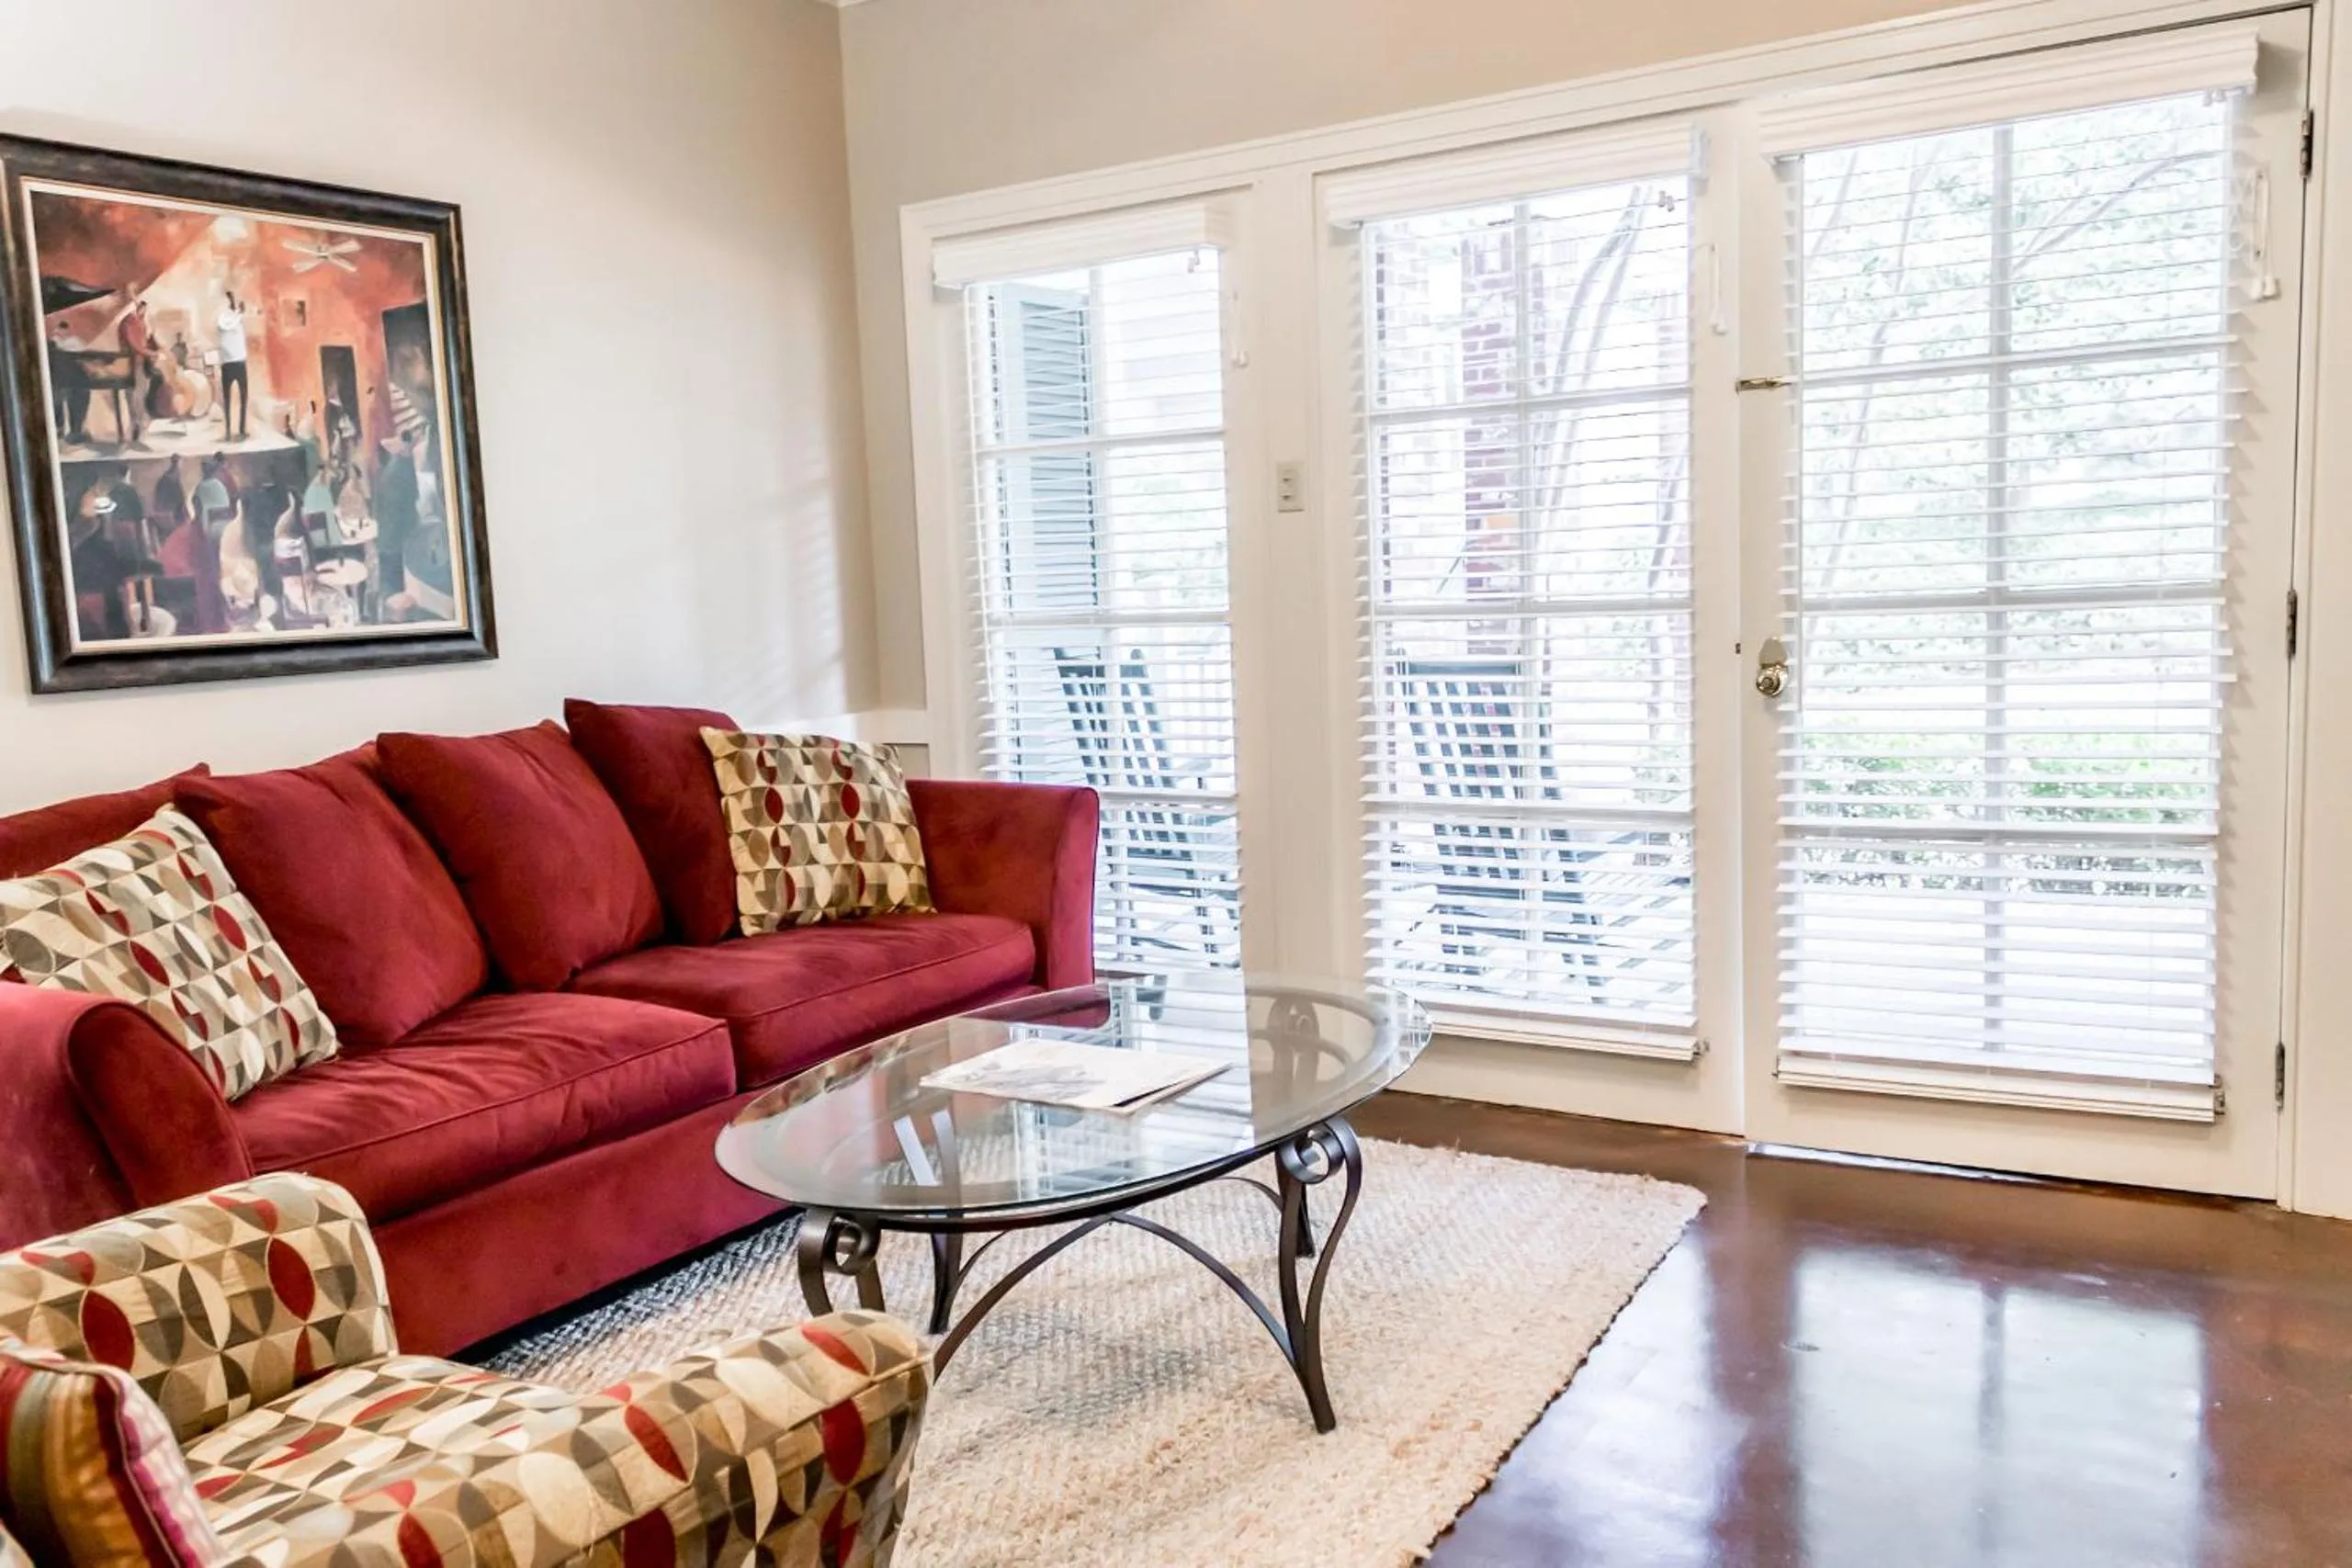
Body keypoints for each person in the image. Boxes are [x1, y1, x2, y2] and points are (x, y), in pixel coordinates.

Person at [216, 290, 250, 440]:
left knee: (241, 398)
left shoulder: (235, 318)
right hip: (231, 363)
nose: (232, 303)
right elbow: (226, 325)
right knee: (229, 399)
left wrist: (239, 313)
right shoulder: (225, 319)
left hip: (236, 362)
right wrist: (240, 313)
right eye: (231, 301)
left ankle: (239, 429)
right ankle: (230, 430)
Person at [117, 298, 151, 443]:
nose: (143, 311)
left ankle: (138, 425)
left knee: (137, 395)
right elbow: (135, 344)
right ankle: (137, 425)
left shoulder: (138, 321)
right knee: (136, 395)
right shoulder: (131, 322)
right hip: (134, 363)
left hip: (137, 362)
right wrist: (151, 353)